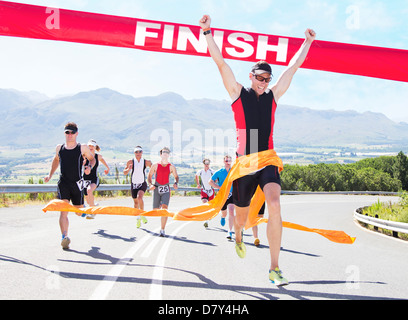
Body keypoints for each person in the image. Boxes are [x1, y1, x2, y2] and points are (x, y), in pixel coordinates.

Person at [199, 14, 316, 286]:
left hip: (268, 159)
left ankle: (274, 268)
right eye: (259, 77)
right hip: (244, 163)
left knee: (274, 203)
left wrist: (307, 42)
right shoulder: (239, 93)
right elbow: (221, 63)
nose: (264, 81)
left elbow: (293, 67)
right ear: (251, 76)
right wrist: (207, 32)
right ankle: (238, 235)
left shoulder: (273, 97)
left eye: (267, 78)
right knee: (240, 218)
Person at [44, 122, 95, 250]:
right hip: (64, 183)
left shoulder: (82, 147)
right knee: (64, 209)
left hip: (77, 184)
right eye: (67, 132)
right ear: (64, 133)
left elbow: (92, 159)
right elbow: (56, 160)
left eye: (72, 132)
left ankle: (82, 211)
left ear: (77, 133)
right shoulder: (59, 148)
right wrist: (50, 175)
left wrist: (89, 167)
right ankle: (64, 237)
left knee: (78, 211)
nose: (70, 135)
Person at [147, 147, 179, 237]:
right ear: (160, 155)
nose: (165, 153)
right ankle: (160, 204)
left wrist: (176, 182)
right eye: (163, 152)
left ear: (169, 155)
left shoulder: (171, 167)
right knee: (155, 211)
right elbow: (149, 176)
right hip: (157, 189)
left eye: (167, 152)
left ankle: (162, 229)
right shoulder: (155, 166)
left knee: (164, 209)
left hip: (166, 189)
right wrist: (150, 185)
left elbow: (176, 176)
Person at [123, 146, 152, 228]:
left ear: (142, 152)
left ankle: (142, 214)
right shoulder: (130, 162)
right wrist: (128, 169)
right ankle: (138, 218)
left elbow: (154, 169)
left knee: (140, 198)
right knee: (136, 203)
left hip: (142, 183)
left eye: (140, 151)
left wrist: (152, 179)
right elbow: (124, 172)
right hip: (134, 184)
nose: (138, 153)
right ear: (134, 153)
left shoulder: (146, 162)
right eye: (136, 152)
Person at [209, 155, 235, 240]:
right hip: (222, 195)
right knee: (224, 213)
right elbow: (210, 182)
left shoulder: (234, 171)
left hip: (232, 194)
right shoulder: (219, 172)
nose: (228, 162)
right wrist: (219, 187)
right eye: (226, 160)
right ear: (224, 162)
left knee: (231, 211)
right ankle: (223, 217)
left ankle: (229, 231)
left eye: (229, 161)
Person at [83, 139, 110, 219]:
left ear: (95, 147)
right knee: (88, 201)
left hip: (94, 179)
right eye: (89, 146)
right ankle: (95, 206)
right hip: (85, 180)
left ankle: (92, 212)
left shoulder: (98, 156)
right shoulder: (84, 156)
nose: (91, 147)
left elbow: (102, 160)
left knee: (89, 190)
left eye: (92, 146)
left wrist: (107, 168)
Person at [195, 158, 215, 228]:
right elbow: (196, 176)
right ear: (203, 164)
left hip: (211, 190)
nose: (207, 165)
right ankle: (205, 220)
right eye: (205, 164)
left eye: (208, 164)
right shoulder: (200, 171)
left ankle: (208, 216)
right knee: (205, 204)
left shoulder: (212, 171)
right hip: (204, 190)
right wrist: (198, 184)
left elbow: (216, 178)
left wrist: (214, 182)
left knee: (210, 206)